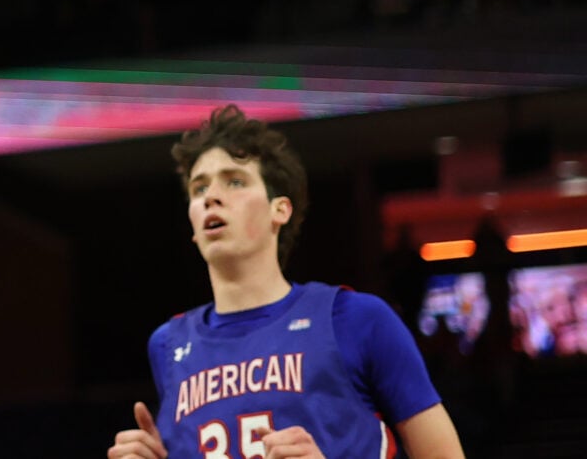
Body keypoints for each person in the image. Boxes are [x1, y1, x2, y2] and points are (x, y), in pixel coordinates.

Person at [107, 106, 466, 459]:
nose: (211, 197)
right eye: (199, 189)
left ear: (280, 210)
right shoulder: (167, 345)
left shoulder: (358, 319)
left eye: (235, 181)